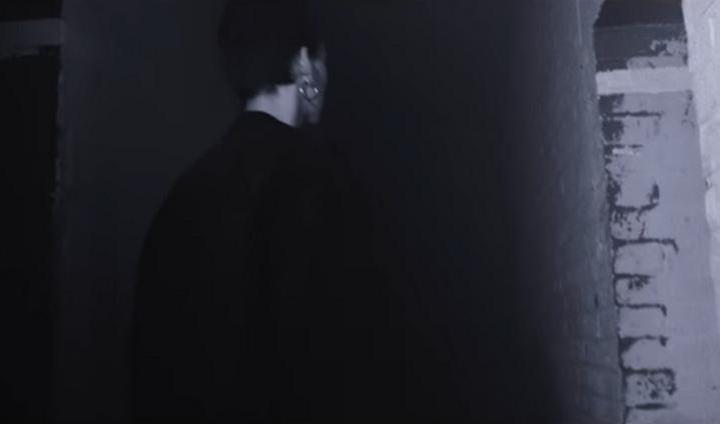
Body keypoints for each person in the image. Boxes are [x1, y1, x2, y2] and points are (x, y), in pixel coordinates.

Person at [130, 1, 405, 422]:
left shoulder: (185, 194)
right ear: (303, 63)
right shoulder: (322, 182)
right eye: (322, 61)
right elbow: (349, 359)